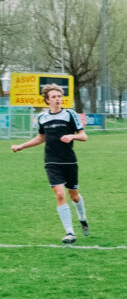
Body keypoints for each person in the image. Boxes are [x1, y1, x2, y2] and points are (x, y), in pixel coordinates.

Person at [11, 83, 90, 244]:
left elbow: (83, 136)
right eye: (54, 97)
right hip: (51, 161)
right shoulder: (42, 117)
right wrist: (21, 146)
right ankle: (70, 233)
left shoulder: (70, 114)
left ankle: (82, 218)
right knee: (60, 194)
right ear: (47, 100)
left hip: (69, 160)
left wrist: (72, 136)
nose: (57, 99)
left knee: (73, 195)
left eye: (59, 96)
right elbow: (41, 138)